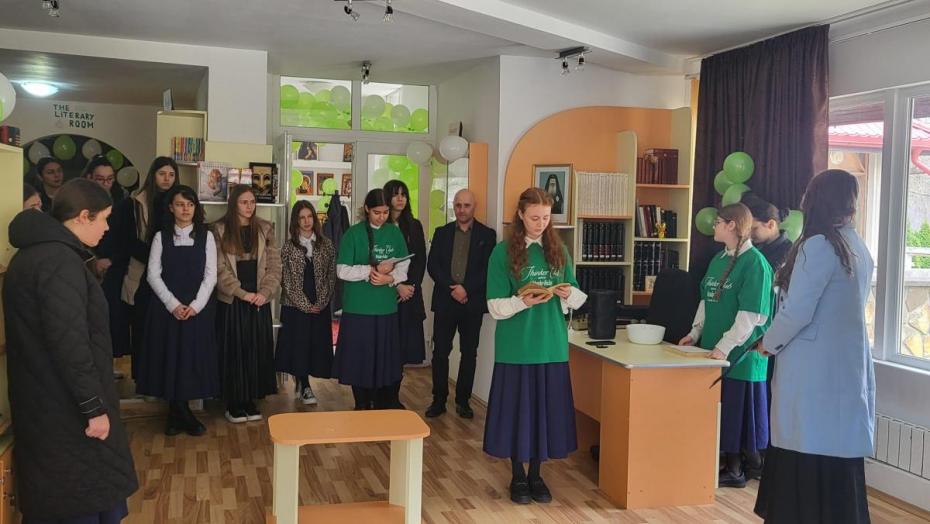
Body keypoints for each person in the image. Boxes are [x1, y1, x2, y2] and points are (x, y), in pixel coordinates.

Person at [4, 178, 138, 522]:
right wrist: (94, 407)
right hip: (65, 409)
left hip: (51, 401)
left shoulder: (41, 254)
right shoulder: (58, 261)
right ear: (82, 216)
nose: (107, 228)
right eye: (103, 218)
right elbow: (69, 343)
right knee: (77, 502)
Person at [754, 170, 875, 524]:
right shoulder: (856, 245)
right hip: (842, 369)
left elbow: (797, 311)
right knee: (833, 455)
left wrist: (767, 343)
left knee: (805, 449)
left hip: (813, 373)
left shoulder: (819, 246)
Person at [484, 187, 586, 505]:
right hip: (516, 347)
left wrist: (568, 293)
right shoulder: (502, 253)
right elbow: (494, 306)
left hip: (551, 344)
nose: (540, 224)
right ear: (520, 215)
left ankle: (537, 475)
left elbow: (578, 297)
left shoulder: (559, 249)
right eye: (534, 218)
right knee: (518, 414)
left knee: (544, 414)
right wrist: (522, 301)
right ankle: (517, 475)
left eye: (545, 218)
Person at [679, 203, 773, 488]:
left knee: (736, 410)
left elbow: (751, 315)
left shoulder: (755, 263)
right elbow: (707, 300)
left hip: (741, 352)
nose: (714, 226)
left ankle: (737, 468)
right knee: (720, 409)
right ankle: (731, 463)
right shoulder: (718, 259)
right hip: (714, 349)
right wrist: (695, 333)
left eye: (718, 222)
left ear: (732, 225)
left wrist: (726, 346)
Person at [136, 185, 219, 436]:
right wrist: (173, 305)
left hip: (196, 309)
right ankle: (178, 413)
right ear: (171, 208)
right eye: (180, 204)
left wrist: (195, 306)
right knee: (169, 358)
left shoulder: (207, 236)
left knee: (190, 359)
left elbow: (211, 276)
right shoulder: (160, 237)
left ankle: (179, 413)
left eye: (190, 204)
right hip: (166, 309)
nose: (186, 209)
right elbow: (153, 275)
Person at [333, 188, 410, 410]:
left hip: (386, 308)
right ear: (367, 209)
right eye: (377, 212)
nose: (381, 217)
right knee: (360, 359)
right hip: (358, 308)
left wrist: (390, 278)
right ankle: (361, 402)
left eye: (385, 212)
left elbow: (404, 264)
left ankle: (383, 401)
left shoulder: (394, 233)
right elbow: (342, 270)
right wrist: (370, 271)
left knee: (384, 358)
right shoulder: (353, 234)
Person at [425, 189, 496, 419]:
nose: (462, 210)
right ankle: (438, 400)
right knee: (440, 352)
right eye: (458, 205)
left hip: (471, 303)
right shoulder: (442, 233)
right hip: (445, 301)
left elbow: (488, 269)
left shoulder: (488, 235)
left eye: (466, 205)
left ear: (474, 206)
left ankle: (463, 402)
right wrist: (452, 288)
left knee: (469, 353)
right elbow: (433, 265)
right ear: (453, 206)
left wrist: (466, 289)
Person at [101, 157, 180, 361]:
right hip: (139, 269)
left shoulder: (179, 203)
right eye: (162, 174)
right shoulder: (134, 204)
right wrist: (154, 258)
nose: (167, 179)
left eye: (171, 175)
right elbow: (126, 241)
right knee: (141, 325)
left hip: (171, 270)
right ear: (153, 175)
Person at [214, 185, 281, 423]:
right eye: (244, 202)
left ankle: (251, 399)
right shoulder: (219, 229)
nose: (249, 206)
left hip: (258, 298)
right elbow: (219, 269)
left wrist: (265, 293)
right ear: (233, 204)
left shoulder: (265, 228)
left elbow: (275, 266)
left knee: (256, 349)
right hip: (233, 299)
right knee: (234, 350)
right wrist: (241, 293)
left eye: (252, 202)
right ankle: (234, 402)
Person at [275, 200, 336, 406]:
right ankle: (304, 384)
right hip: (295, 306)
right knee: (298, 346)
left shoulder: (326, 245)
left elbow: (330, 276)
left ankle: (307, 381)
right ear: (296, 221)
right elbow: (286, 281)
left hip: (319, 304)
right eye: (302, 218)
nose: (307, 221)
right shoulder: (288, 247)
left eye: (309, 216)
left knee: (315, 345)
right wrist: (305, 304)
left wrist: (321, 302)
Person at [384, 179, 427, 409]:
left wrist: (409, 287)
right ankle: (378, 394)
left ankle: (393, 395)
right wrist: (396, 285)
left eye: (404, 194)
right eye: (395, 194)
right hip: (385, 292)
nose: (400, 198)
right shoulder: (380, 225)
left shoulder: (414, 225)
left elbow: (419, 260)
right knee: (384, 346)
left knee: (401, 349)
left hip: (408, 295)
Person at [742, 193, 793, 271]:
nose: (748, 234)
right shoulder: (756, 246)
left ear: (770, 224)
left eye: (753, 228)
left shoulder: (789, 254)